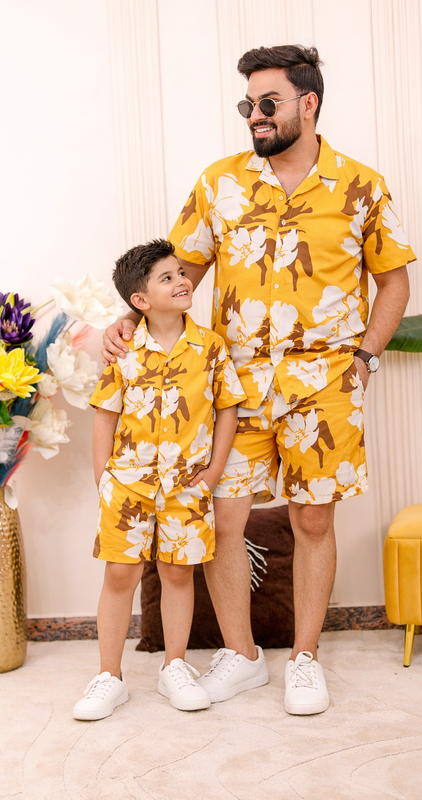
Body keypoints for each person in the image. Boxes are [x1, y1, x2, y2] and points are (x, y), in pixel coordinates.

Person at [103, 45, 414, 716]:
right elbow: (176, 270)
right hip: (234, 384)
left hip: (325, 380)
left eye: (266, 103)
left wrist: (363, 357)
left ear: (309, 103)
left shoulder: (361, 185)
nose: (253, 116)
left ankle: (304, 657)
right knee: (222, 517)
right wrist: (123, 321)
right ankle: (242, 657)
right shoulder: (219, 183)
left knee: (311, 516)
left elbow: (392, 281)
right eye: (246, 105)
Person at [73, 239, 251, 721]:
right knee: (119, 574)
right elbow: (105, 415)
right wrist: (102, 478)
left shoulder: (211, 347)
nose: (182, 281)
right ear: (140, 301)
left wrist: (213, 473)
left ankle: (175, 666)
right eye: (167, 277)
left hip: (187, 486)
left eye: (181, 273)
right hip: (127, 485)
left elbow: (228, 410)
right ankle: (109, 677)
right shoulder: (125, 349)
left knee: (177, 573)